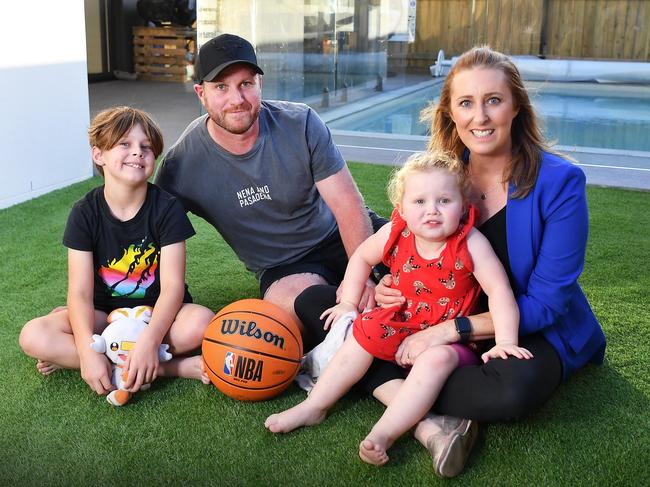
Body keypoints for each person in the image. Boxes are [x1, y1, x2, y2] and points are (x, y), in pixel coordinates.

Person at [294, 45, 606, 477]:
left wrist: (446, 332)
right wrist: (385, 281)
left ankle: (372, 376)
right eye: (466, 103)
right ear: (450, 113)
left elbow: (548, 303)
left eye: (493, 101)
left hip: (521, 326)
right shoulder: (441, 175)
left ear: (515, 106)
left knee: (511, 392)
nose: (480, 117)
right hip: (429, 306)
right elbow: (402, 238)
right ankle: (423, 415)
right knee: (316, 303)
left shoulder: (559, 184)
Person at [265, 150, 532, 468]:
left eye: (444, 201)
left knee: (436, 359)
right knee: (362, 333)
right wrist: (349, 303)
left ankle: (384, 433)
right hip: (401, 322)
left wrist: (504, 342)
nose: (431, 211)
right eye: (419, 202)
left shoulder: (469, 243)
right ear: (402, 207)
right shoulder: (396, 233)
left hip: (449, 339)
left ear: (462, 205)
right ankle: (316, 404)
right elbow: (363, 256)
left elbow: (500, 292)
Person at [153, 34, 381, 340]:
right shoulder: (181, 164)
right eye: (221, 87)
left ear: (260, 83)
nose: (236, 99)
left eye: (245, 84)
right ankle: (365, 339)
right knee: (288, 314)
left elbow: (349, 208)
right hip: (287, 267)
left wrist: (364, 276)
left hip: (341, 234)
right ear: (201, 93)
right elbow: (153, 234)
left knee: (431, 260)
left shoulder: (300, 123)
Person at [19, 107, 215, 396]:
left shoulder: (167, 208)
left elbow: (172, 287)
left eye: (146, 147)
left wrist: (150, 340)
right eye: (125, 144)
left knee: (203, 323)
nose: (137, 152)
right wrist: (87, 352)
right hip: (104, 314)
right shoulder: (84, 213)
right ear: (99, 155)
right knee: (33, 335)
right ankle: (170, 367)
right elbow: (80, 293)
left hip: (154, 313)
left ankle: (122, 358)